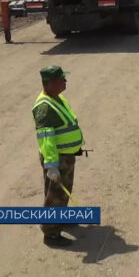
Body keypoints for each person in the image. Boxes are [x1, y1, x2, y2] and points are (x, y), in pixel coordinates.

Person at [33, 66, 84, 246]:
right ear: (51, 83)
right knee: (55, 196)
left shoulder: (58, 98)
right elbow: (46, 140)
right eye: (61, 79)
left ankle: (60, 219)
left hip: (66, 156)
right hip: (57, 159)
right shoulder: (45, 108)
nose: (65, 82)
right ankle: (51, 233)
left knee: (63, 192)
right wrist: (52, 165)